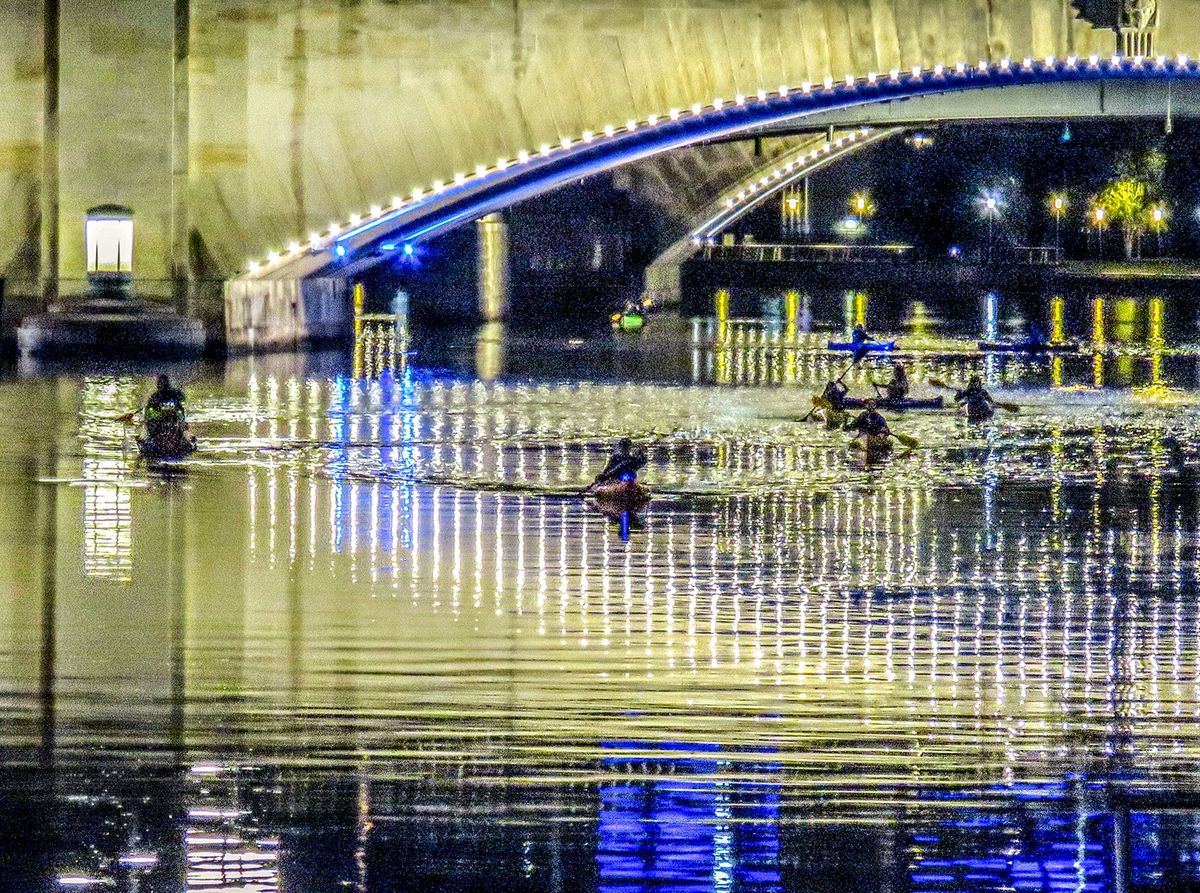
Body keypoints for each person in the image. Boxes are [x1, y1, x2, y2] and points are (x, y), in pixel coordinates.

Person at [144, 374, 187, 439]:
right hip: (159, 421)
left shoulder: (173, 392)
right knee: (150, 415)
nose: (160, 385)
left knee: (180, 411)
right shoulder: (156, 395)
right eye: (160, 383)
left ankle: (180, 431)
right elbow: (149, 408)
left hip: (174, 419)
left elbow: (182, 398)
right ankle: (153, 434)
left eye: (161, 383)